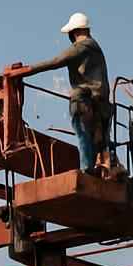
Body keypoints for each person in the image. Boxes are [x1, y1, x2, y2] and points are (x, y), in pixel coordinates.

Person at [15, 12, 113, 174]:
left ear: (74, 32)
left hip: (85, 103)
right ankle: (100, 168)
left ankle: (87, 169)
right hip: (101, 105)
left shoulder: (81, 47)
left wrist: (24, 71)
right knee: (99, 141)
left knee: (83, 135)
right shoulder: (96, 48)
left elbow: (55, 62)